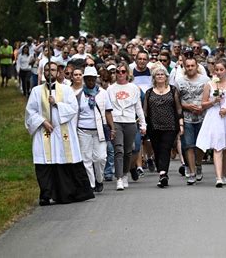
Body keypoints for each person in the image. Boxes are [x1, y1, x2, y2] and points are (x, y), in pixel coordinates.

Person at [25, 61, 94, 205]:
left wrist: (56, 103)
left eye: (53, 70)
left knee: (64, 161)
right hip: (45, 131)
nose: (50, 72)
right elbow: (30, 112)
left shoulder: (66, 90)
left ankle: (67, 194)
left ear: (58, 72)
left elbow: (73, 108)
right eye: (47, 70)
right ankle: (46, 194)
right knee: (45, 163)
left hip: (63, 132)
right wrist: (42, 122)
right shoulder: (36, 91)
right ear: (43, 72)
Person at [197, 58, 226, 187]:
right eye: (217, 70)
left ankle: (224, 175)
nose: (219, 72)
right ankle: (218, 177)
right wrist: (214, 101)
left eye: (221, 69)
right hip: (215, 117)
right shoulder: (210, 85)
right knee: (218, 146)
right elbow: (203, 104)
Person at [107, 62, 147, 191]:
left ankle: (124, 174)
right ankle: (118, 178)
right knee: (119, 149)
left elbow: (138, 107)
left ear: (127, 73)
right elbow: (107, 109)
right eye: (118, 72)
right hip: (116, 121)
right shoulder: (110, 89)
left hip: (130, 121)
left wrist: (143, 124)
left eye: (123, 71)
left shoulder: (134, 88)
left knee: (128, 151)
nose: (120, 74)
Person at [144, 65, 184, 188]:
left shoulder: (173, 90)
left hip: (170, 126)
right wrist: (143, 125)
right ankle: (161, 169)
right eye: (157, 74)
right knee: (157, 150)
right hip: (154, 126)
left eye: (162, 74)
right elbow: (145, 111)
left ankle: (163, 174)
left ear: (166, 77)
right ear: (154, 77)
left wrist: (181, 124)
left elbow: (178, 109)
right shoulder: (149, 92)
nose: (160, 76)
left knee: (165, 149)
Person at [76, 66, 115, 193]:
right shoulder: (79, 95)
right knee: (86, 158)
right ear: (85, 80)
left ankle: (99, 178)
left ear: (96, 79)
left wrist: (112, 128)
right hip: (83, 129)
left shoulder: (103, 93)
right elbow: (75, 113)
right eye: (88, 79)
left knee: (100, 157)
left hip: (100, 129)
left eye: (93, 79)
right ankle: (91, 184)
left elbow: (108, 111)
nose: (90, 81)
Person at [176, 57, 210, 185]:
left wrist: (203, 107)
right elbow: (176, 102)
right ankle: (192, 172)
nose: (190, 68)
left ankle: (198, 163)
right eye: (188, 66)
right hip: (186, 118)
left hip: (203, 117)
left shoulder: (206, 80)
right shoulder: (179, 82)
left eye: (192, 65)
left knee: (201, 145)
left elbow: (212, 99)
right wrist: (187, 106)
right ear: (184, 67)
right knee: (188, 145)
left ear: (197, 66)